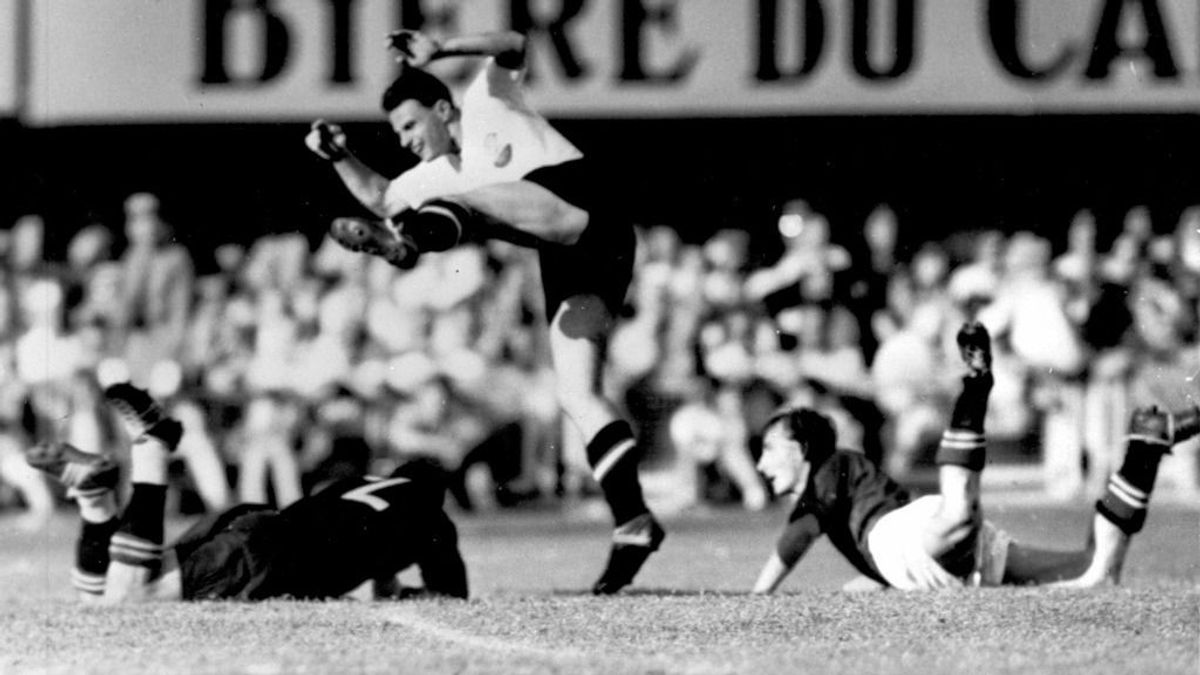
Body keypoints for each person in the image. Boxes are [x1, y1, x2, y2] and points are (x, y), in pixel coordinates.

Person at [304, 29, 664, 594]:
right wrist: (338, 156)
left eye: (411, 126)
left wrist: (441, 49)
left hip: (584, 208)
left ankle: (407, 245)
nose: (406, 142)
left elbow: (514, 43)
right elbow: (379, 197)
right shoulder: (438, 177)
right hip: (573, 257)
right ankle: (634, 523)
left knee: (458, 203)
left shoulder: (486, 101)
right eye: (398, 134)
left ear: (443, 110)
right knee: (577, 393)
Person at [753, 322, 1199, 593]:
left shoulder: (829, 471)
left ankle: (974, 391)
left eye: (770, 449)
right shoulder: (843, 480)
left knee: (958, 517)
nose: (761, 464)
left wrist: (759, 597)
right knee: (1093, 571)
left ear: (801, 449)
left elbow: (799, 535)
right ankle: (1145, 449)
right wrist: (871, 584)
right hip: (944, 557)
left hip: (916, 537)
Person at [26, 383, 467, 603]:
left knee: (100, 595)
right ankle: (152, 451)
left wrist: (385, 583)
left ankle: (94, 498)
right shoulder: (432, 519)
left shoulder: (362, 484)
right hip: (271, 556)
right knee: (127, 596)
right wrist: (412, 592)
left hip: (259, 523)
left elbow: (368, 550)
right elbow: (449, 597)